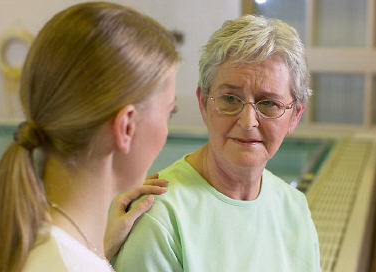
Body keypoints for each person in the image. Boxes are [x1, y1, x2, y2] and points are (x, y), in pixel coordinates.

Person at [0, 2, 178, 272]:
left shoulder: (41, 242)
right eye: (168, 113)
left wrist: (100, 250)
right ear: (126, 127)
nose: (165, 131)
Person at [114, 15, 321, 271]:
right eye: (230, 99)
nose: (248, 122)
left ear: (295, 116)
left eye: (268, 103)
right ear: (203, 103)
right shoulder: (162, 218)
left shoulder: (294, 208)